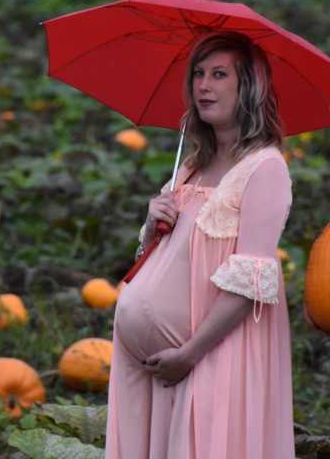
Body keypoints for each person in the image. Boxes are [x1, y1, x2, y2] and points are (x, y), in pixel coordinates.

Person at [105, 31, 295, 459]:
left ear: (248, 87)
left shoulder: (264, 168)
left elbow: (251, 284)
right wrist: (153, 224)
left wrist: (189, 353)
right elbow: (163, 261)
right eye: (198, 75)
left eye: (219, 74)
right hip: (154, 367)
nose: (203, 85)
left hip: (212, 355)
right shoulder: (191, 167)